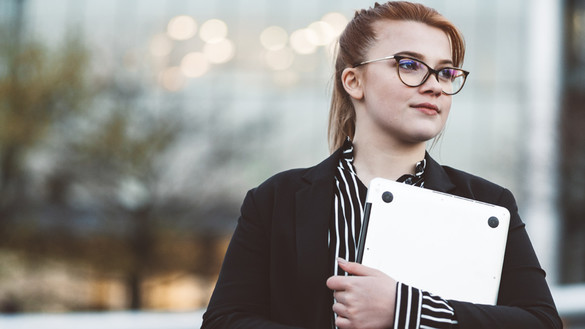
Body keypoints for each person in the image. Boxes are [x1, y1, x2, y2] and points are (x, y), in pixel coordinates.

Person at [201, 1, 563, 329]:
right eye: (409, 65)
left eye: (445, 73)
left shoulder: (488, 203)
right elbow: (223, 321)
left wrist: (406, 308)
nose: (434, 86)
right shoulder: (276, 199)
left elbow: (542, 321)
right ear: (354, 81)